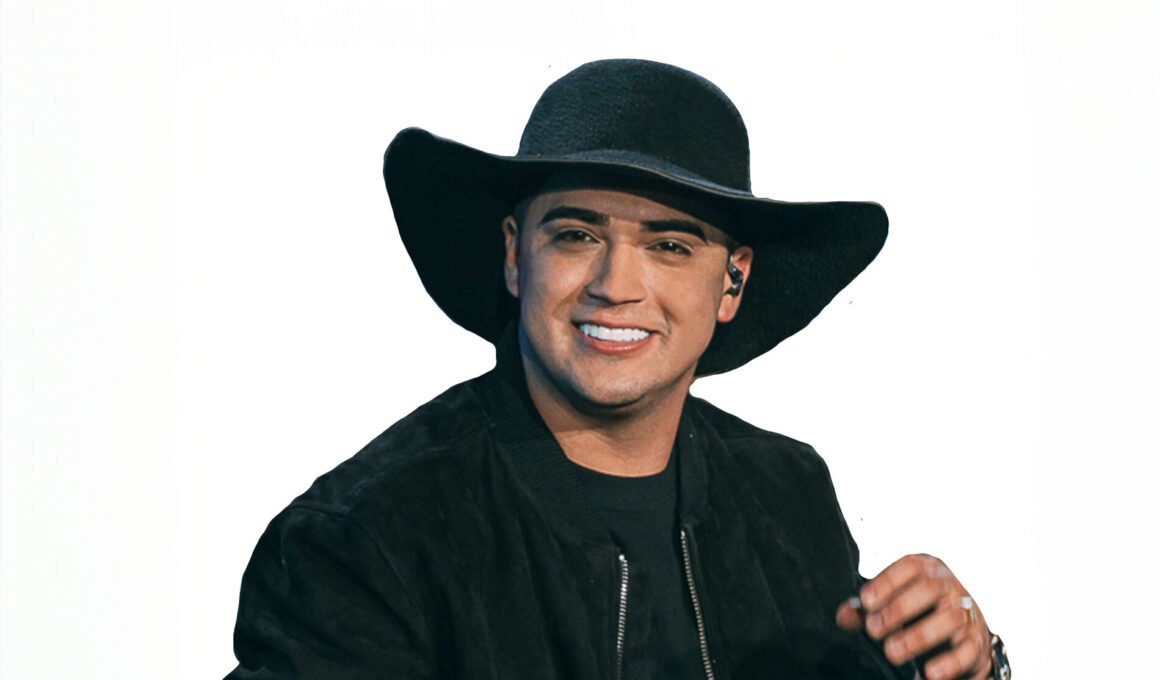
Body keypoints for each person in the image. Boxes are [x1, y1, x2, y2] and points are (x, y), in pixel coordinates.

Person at [226, 59, 1010, 679]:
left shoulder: (788, 493)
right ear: (515, 255)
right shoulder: (368, 539)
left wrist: (958, 661)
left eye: (669, 246)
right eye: (576, 235)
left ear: (732, 282)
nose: (615, 285)